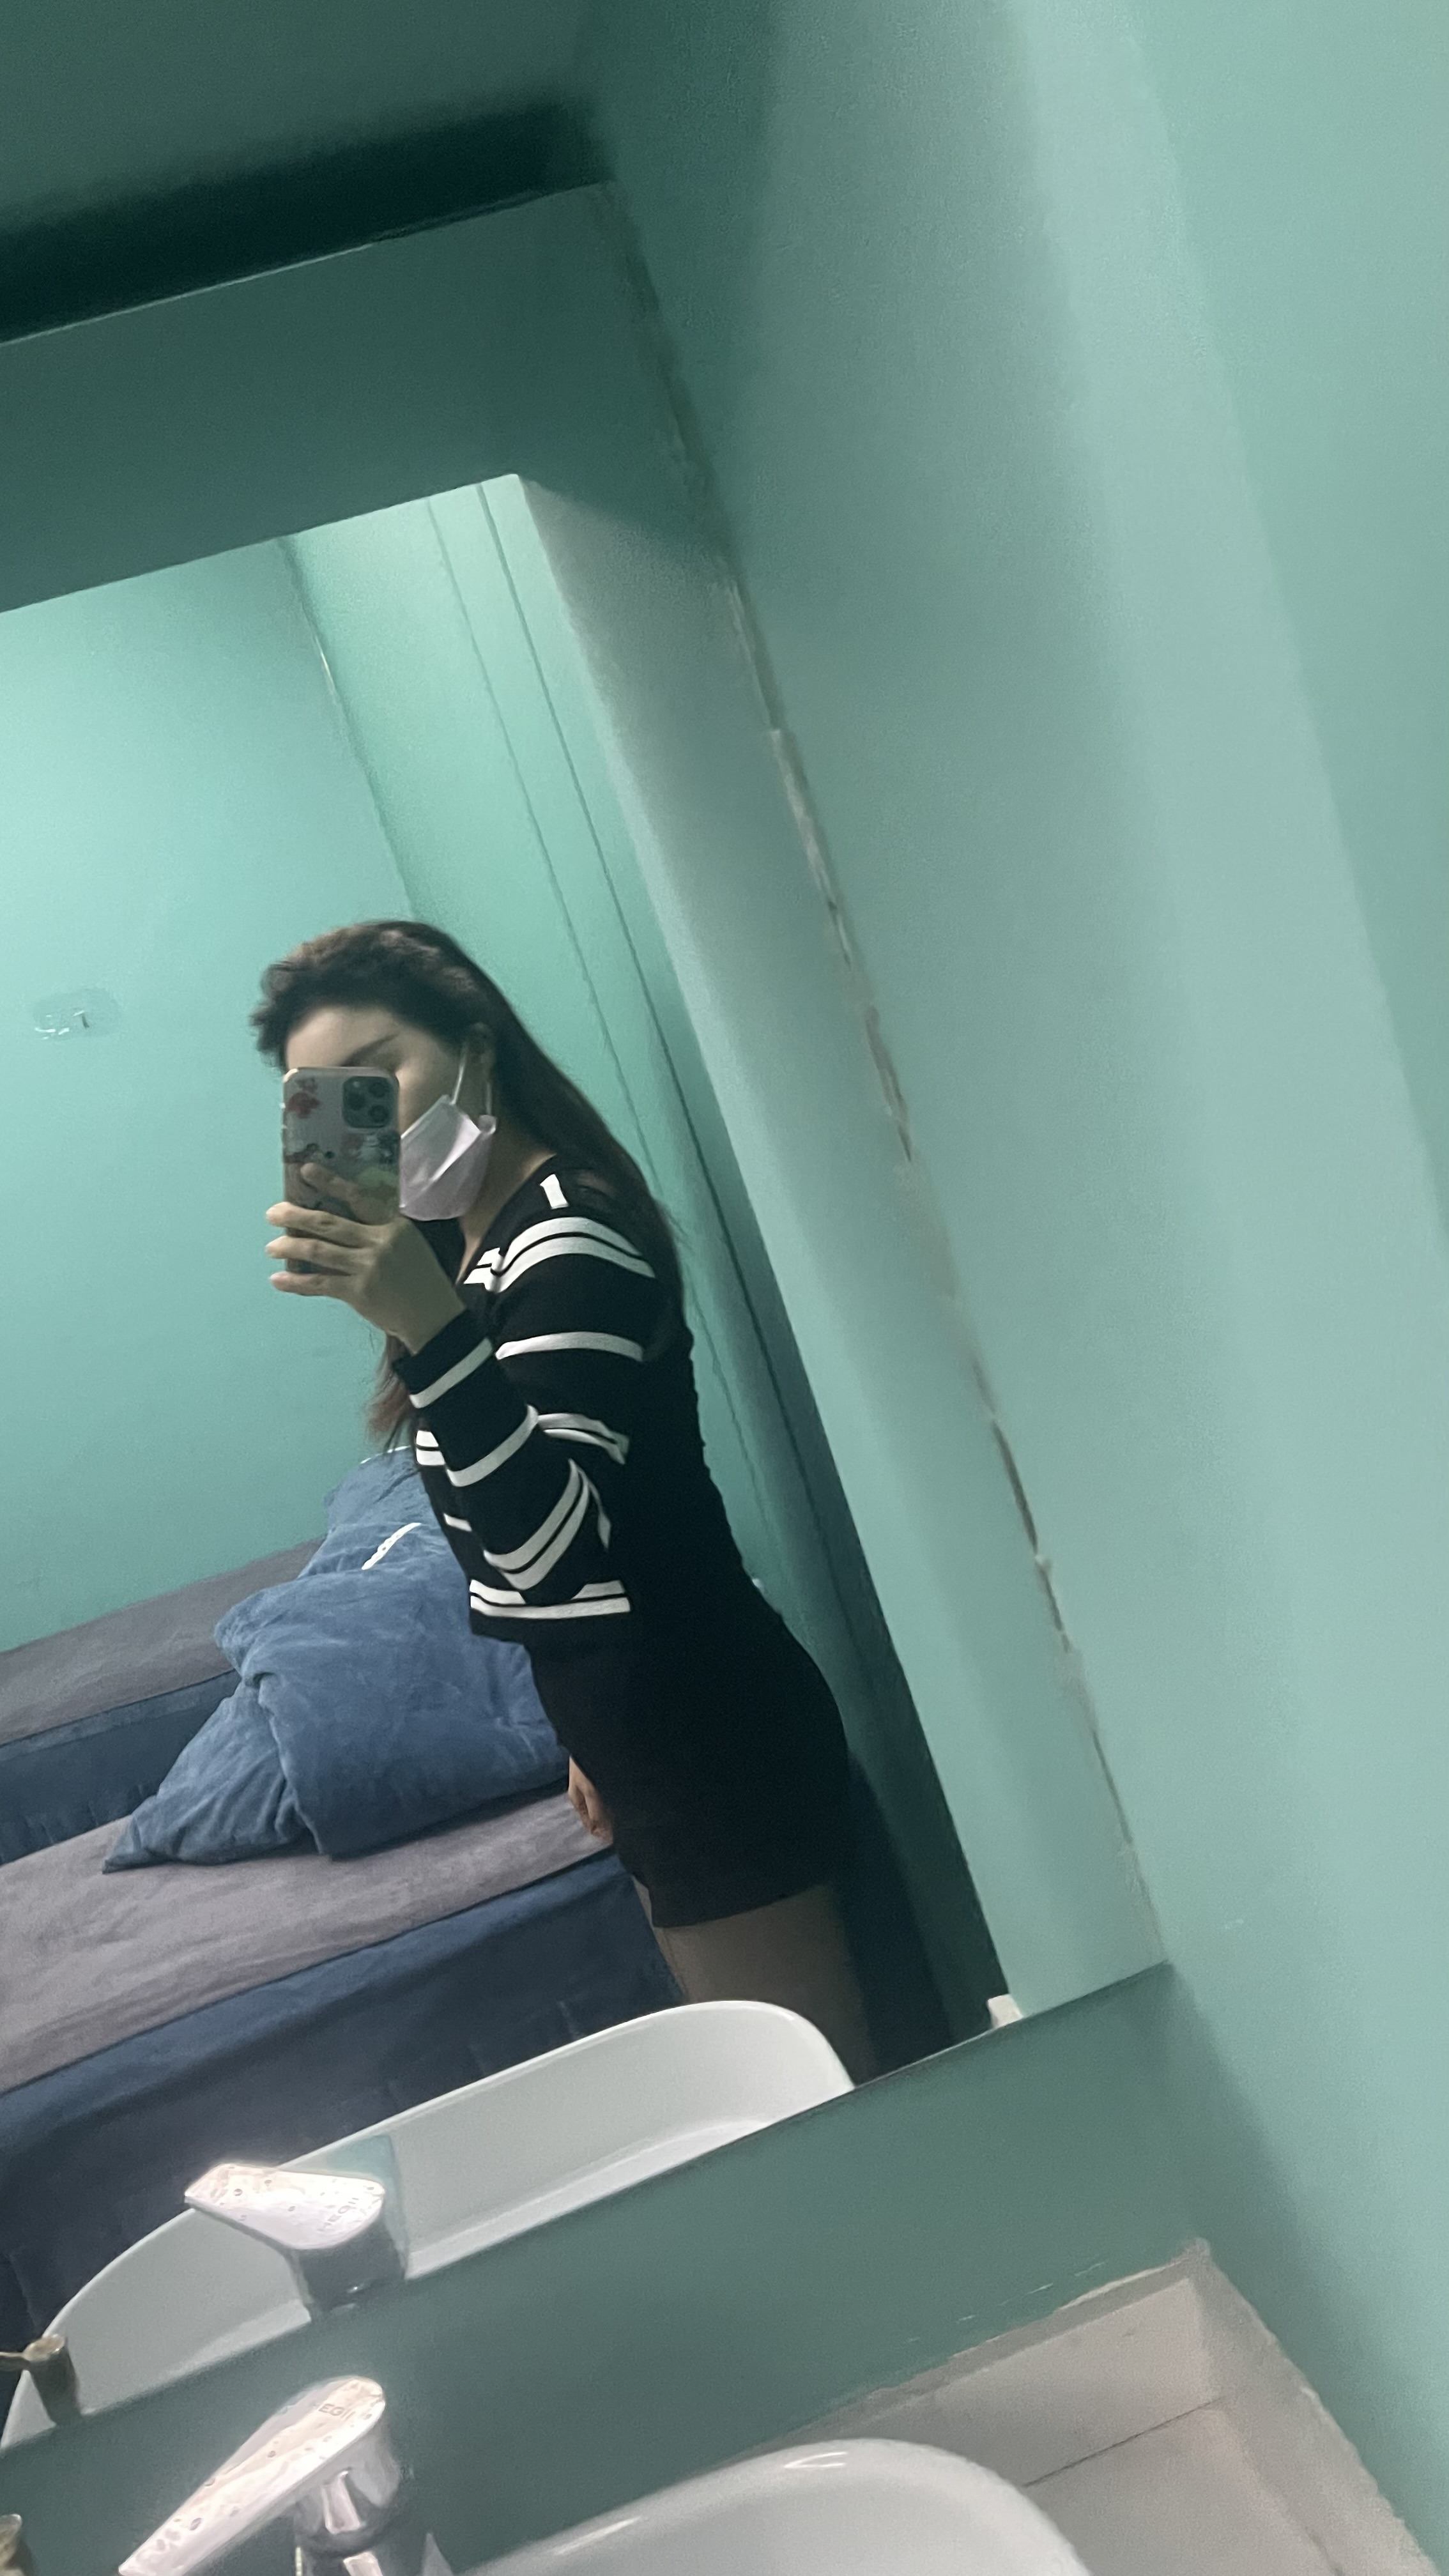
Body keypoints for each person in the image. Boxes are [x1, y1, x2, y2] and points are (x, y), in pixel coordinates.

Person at [255, 919, 876, 2079]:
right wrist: (590, 1735)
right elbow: (539, 1541)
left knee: (816, 2096)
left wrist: (426, 1328)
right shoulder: (476, 1248)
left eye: (382, 1074)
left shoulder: (568, 1238)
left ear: (477, 1045)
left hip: (707, 1737)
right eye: (334, 1103)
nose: (371, 1121)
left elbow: (553, 1551)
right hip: (644, 1733)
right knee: (767, 2076)